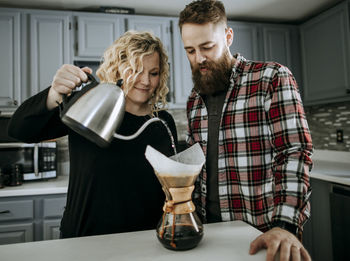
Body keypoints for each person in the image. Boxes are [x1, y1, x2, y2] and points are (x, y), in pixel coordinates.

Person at [8, 31, 178, 238]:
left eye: (153, 73)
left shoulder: (163, 122)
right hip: (85, 237)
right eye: (135, 70)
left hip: (145, 239)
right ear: (118, 69)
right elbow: (19, 129)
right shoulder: (91, 105)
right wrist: (54, 94)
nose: (145, 81)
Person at [179, 1, 313, 261]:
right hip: (208, 236)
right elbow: (195, 166)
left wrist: (284, 226)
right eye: (190, 50)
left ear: (228, 36)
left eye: (207, 47)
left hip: (263, 235)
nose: (199, 58)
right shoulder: (194, 99)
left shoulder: (271, 78)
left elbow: (294, 152)